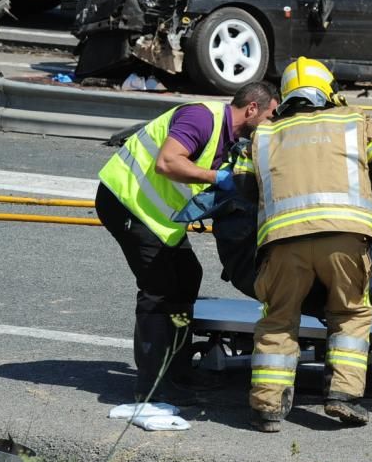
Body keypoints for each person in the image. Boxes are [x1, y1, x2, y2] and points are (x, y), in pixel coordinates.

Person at [233, 57, 372, 433]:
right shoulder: (355, 119)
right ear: (329, 91)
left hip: (282, 242)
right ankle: (342, 396)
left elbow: (243, 187)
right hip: (345, 237)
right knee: (350, 314)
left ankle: (267, 410)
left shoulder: (263, 134)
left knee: (278, 319)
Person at [96, 82, 279, 405]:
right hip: (127, 203)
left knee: (187, 275)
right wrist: (219, 179)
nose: (271, 124)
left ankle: (177, 372)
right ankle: (151, 387)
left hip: (157, 216)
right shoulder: (202, 118)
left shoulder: (232, 139)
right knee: (160, 289)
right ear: (252, 108)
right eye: (270, 115)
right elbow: (167, 163)